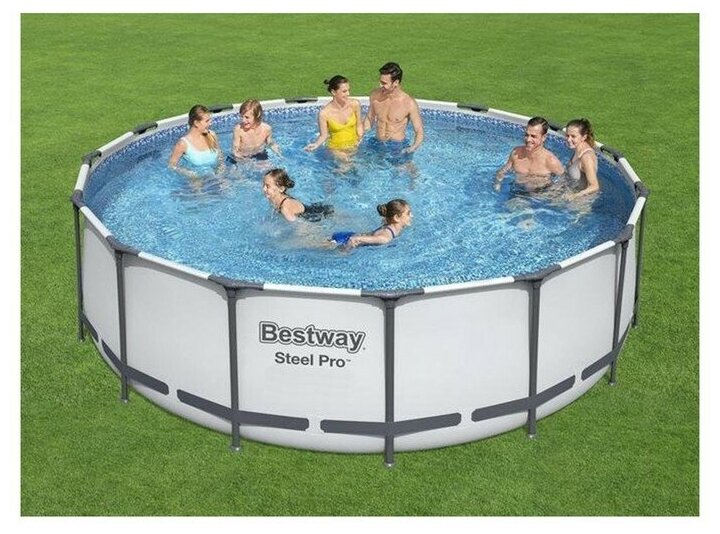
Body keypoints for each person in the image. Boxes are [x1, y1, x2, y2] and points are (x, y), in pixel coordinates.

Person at [363, 62, 424, 155]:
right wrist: (361, 135)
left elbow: (419, 131)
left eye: (384, 83)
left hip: (396, 146)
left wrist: (412, 148)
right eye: (380, 82)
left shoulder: (408, 103)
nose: (380, 86)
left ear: (395, 82)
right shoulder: (375, 95)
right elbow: (369, 118)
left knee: (406, 164)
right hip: (377, 142)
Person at [494, 116, 565, 193]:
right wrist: (497, 185)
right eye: (526, 135)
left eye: (533, 136)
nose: (528, 139)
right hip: (516, 191)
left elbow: (565, 181)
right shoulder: (516, 153)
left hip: (539, 196)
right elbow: (503, 170)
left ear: (544, 137)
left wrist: (549, 193)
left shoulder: (551, 161)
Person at [305, 75, 364, 157]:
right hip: (336, 149)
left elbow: (359, 126)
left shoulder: (355, 104)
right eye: (344, 91)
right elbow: (323, 135)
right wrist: (316, 144)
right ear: (333, 92)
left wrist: (360, 139)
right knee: (346, 162)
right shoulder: (324, 113)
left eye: (348, 90)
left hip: (354, 146)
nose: (348, 94)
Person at [168, 104, 224, 180]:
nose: (210, 123)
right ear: (196, 123)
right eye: (207, 121)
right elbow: (171, 165)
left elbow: (220, 153)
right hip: (197, 182)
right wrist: (189, 173)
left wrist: (221, 169)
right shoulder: (183, 144)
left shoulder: (212, 135)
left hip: (217, 177)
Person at [331, 199, 413, 249]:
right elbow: (354, 240)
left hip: (348, 235)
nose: (412, 216)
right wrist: (343, 254)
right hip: (341, 241)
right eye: (408, 213)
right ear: (396, 218)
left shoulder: (392, 226)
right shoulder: (385, 238)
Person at [262, 168, 333, 222]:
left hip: (320, 215)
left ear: (281, 188)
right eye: (263, 185)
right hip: (312, 209)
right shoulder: (274, 199)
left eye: (268, 186)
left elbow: (301, 228)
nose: (264, 189)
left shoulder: (285, 208)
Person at [563, 118, 600, 199]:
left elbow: (594, 186)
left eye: (573, 136)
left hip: (579, 202)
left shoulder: (587, 157)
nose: (568, 139)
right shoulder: (577, 150)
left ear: (584, 137)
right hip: (569, 192)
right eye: (567, 135)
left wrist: (574, 196)